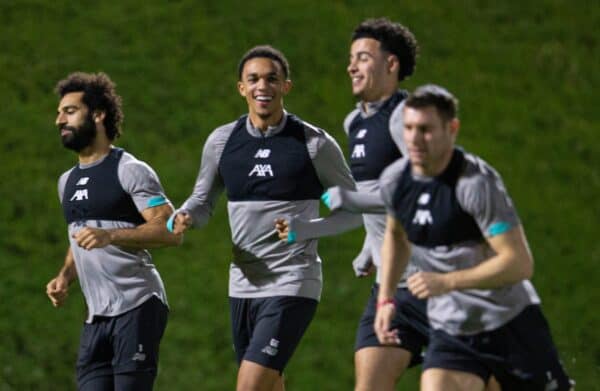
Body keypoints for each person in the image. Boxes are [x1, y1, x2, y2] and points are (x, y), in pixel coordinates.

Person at [169, 45, 359, 391]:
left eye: (272, 79)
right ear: (241, 87)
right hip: (243, 282)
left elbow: (356, 210)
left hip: (293, 279)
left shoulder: (313, 144)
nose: (263, 86)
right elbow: (202, 201)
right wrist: (184, 217)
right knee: (271, 383)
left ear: (286, 86)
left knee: (250, 385)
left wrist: (305, 229)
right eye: (253, 79)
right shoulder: (222, 142)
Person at [375, 84, 574, 390]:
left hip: (509, 324)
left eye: (425, 129)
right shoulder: (395, 181)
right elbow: (396, 235)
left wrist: (447, 282)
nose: (414, 139)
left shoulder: (475, 183)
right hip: (451, 330)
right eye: (409, 128)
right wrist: (386, 298)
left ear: (451, 129)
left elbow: (519, 263)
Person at [275, 18, 430, 391]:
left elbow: (422, 194)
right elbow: (383, 197)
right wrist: (371, 245)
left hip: (436, 282)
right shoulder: (354, 123)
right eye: (351, 58)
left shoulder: (404, 120)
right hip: (392, 286)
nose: (351, 66)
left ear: (391, 65)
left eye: (362, 57)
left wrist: (353, 199)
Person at [46, 72, 182, 390]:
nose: (58, 120)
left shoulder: (129, 170)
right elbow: (79, 237)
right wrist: (65, 276)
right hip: (96, 317)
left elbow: (171, 231)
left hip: (137, 304)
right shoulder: (66, 181)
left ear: (97, 114)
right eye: (58, 112)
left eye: (69, 111)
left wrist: (112, 236)